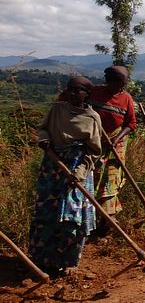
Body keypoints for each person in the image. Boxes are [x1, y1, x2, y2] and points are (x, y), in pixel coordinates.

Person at [29, 77, 102, 276]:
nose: (72, 93)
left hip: (77, 171)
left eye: (77, 90)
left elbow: (95, 151)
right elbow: (42, 128)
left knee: (72, 216)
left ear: (87, 94)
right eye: (70, 89)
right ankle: (42, 260)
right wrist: (44, 140)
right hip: (52, 168)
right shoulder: (57, 109)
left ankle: (69, 261)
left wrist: (79, 173)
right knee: (46, 213)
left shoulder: (92, 118)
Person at [89, 66, 136, 224]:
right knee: (92, 178)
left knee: (111, 179)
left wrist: (116, 140)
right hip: (93, 142)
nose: (120, 88)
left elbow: (131, 124)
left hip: (116, 141)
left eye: (122, 84)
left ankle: (109, 217)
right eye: (116, 84)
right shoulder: (94, 92)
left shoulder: (126, 98)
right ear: (108, 81)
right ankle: (91, 216)